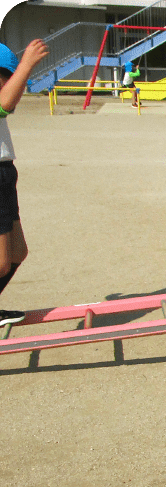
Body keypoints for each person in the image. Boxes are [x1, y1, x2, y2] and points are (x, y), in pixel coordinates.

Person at [0, 39, 48, 328]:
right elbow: (4, 104)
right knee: (1, 262)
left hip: (5, 173)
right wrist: (27, 64)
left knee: (17, 252)